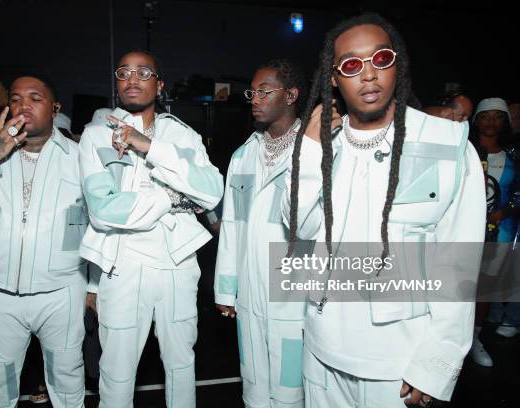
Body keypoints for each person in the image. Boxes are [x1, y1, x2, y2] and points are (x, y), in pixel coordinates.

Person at [283, 13, 485, 407]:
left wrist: (436, 362)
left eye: (381, 59)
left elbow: (459, 262)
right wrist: (309, 147)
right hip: (322, 352)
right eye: (353, 65)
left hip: (399, 363)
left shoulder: (444, 145)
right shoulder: (326, 147)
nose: (369, 75)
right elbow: (301, 228)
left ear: (398, 65)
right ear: (334, 78)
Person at [79, 50, 223, 407]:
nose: (132, 78)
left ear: (159, 86)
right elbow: (102, 210)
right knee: (116, 370)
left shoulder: (182, 135)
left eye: (143, 72)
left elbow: (211, 191)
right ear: (116, 83)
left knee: (180, 364)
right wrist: (172, 198)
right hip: (123, 265)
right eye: (123, 72)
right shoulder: (96, 135)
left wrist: (150, 147)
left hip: (178, 264)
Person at [0, 75, 87, 407]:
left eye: (35, 98)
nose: (24, 105)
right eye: (16, 98)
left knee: (67, 383)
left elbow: (99, 226)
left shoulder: (79, 157)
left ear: (55, 108)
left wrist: (93, 286)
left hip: (62, 291)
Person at [214, 59, 307, 408]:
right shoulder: (242, 156)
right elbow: (232, 226)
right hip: (250, 291)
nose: (254, 98)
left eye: (265, 91)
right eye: (253, 92)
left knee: (290, 388)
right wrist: (226, 288)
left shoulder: (312, 151)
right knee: (253, 384)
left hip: (294, 294)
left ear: (291, 95)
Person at [470, 98, 519, 356]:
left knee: (485, 288)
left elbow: (518, 193)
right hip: (464, 232)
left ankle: (475, 340)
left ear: (505, 122)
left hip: (498, 232)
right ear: (476, 119)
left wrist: (504, 211)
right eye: (485, 116)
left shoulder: (513, 157)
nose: (491, 122)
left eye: (498, 116)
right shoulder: (464, 150)